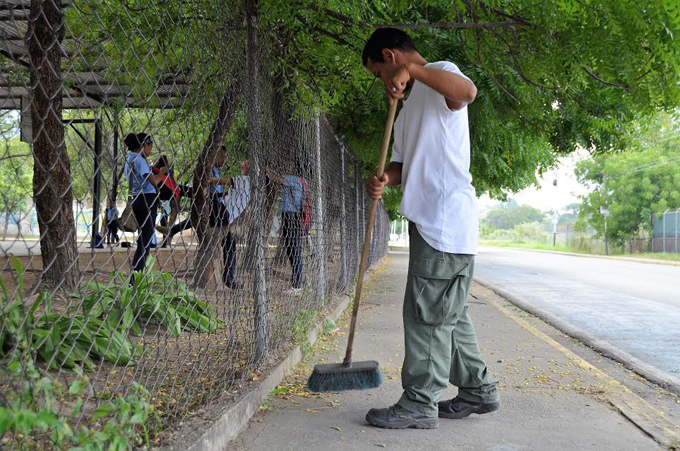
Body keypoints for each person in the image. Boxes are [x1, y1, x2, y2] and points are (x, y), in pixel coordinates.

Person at [362, 28, 500, 429]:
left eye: (380, 73)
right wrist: (384, 179)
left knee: (425, 316)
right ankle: (478, 390)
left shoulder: (440, 74)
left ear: (392, 56)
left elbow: (467, 92)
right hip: (433, 222)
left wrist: (412, 71)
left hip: (443, 222)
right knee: (447, 316)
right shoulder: (406, 111)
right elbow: (403, 167)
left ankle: (420, 403)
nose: (384, 83)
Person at [124, 132, 167, 276]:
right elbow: (153, 181)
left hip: (137, 198)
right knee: (146, 237)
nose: (151, 150)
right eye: (150, 146)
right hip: (147, 200)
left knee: (145, 235)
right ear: (143, 145)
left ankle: (138, 272)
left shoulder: (130, 158)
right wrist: (162, 173)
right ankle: (136, 274)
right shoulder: (139, 160)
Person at [268, 161, 305, 295]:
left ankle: (297, 286)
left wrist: (266, 168)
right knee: (293, 251)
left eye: (290, 165)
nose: (288, 166)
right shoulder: (301, 181)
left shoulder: (292, 179)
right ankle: (296, 284)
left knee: (294, 251)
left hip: (291, 216)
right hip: (292, 217)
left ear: (295, 168)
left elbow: (277, 178)